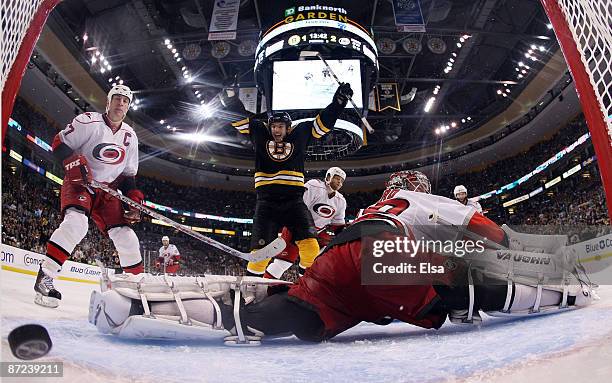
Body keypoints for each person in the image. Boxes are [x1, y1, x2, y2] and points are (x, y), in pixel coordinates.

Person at [90, 171, 594, 344]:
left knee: (284, 314)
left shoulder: (368, 204)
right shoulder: (428, 202)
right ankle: (563, 292)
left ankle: (134, 308)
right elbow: (485, 235)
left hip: (335, 262)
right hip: (384, 255)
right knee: (461, 287)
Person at [34, 85, 145, 308]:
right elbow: (59, 143)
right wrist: (72, 162)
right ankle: (45, 277)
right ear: (108, 102)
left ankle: (136, 288)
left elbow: (128, 175)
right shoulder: (88, 122)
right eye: (117, 98)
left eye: (125, 100)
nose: (120, 103)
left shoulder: (130, 136)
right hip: (80, 183)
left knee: (127, 237)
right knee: (76, 224)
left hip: (108, 190)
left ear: (128, 107)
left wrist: (132, 195)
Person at [229, 83, 353, 277]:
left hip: (294, 202)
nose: (277, 130)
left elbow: (323, 123)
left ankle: (307, 286)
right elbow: (238, 118)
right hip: (267, 202)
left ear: (289, 128)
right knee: (260, 255)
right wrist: (229, 98)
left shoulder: (301, 133)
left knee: (311, 249)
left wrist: (339, 102)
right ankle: (250, 290)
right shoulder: (259, 132)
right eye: (274, 127)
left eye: (280, 127)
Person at [264, 167, 347, 279]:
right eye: (337, 178)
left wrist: (343, 238)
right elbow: (299, 207)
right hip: (296, 227)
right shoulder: (314, 186)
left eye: (342, 181)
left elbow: (338, 225)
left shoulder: (341, 201)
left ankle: (304, 286)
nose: (339, 182)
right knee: (282, 263)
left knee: (315, 263)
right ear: (328, 177)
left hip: (317, 233)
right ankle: (263, 288)